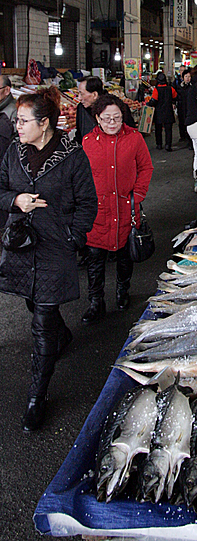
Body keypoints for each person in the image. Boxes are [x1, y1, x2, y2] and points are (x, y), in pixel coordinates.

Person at [0, 86, 97, 431]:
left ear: (44, 123)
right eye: (17, 121)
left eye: (23, 121)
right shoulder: (14, 152)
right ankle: (63, 334)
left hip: (56, 247)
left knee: (40, 322)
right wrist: (16, 201)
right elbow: (0, 190)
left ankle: (35, 399)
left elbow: (88, 203)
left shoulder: (73, 156)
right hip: (21, 247)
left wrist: (74, 236)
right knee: (35, 303)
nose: (18, 126)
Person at [82, 94, 153, 325]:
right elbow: (79, 178)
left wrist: (138, 194)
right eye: (107, 118)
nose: (112, 123)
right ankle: (96, 302)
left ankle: (123, 292)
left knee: (125, 255)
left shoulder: (134, 138)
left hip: (126, 208)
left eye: (117, 118)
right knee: (95, 259)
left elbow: (146, 167)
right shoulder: (87, 142)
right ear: (97, 118)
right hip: (97, 211)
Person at [76, 76, 136, 144]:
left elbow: (131, 135)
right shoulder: (81, 108)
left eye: (82, 94)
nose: (79, 98)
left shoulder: (119, 107)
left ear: (95, 94)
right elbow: (79, 135)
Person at [150, 71, 177, 151]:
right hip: (168, 111)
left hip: (159, 112)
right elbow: (175, 96)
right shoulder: (170, 89)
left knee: (158, 129)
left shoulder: (156, 90)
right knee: (168, 130)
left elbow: (154, 100)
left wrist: (148, 104)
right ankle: (168, 145)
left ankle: (159, 144)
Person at [174, 68, 191, 142]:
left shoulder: (192, 87)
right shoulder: (179, 86)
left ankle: (189, 137)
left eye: (189, 76)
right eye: (186, 76)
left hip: (189, 108)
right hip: (181, 107)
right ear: (183, 77)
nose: (187, 78)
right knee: (181, 122)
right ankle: (182, 136)